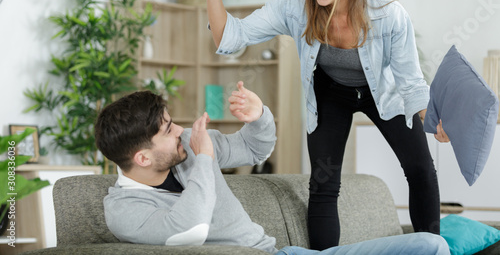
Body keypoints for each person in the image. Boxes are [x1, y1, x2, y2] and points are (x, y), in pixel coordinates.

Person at [188, 0, 450, 251]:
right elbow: (230, 38)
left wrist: (432, 118)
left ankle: (434, 248)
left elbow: (411, 84)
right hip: (329, 93)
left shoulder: (388, 15)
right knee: (323, 184)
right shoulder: (294, 5)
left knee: (421, 169)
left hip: (382, 92)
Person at [94, 82, 450, 255]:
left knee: (430, 246)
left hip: (281, 254)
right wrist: (205, 158)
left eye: (172, 123)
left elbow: (254, 147)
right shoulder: (125, 211)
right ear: (142, 158)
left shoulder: (187, 145)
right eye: (168, 131)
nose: (180, 132)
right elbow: (190, 229)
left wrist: (259, 116)